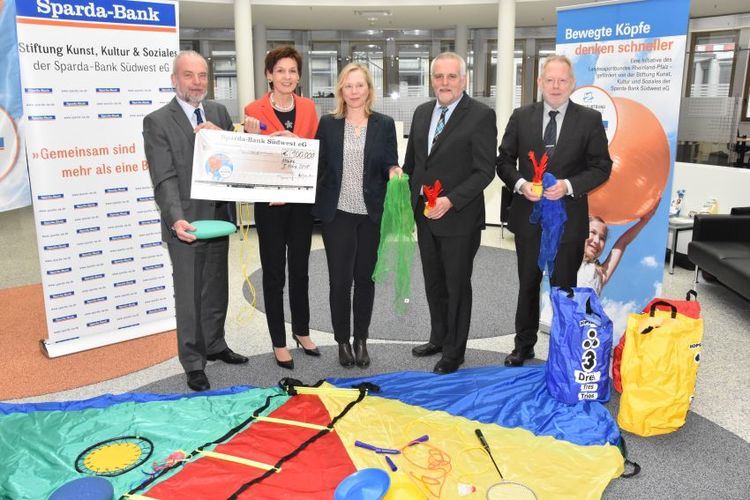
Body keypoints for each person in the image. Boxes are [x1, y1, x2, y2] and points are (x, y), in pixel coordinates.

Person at [496, 54, 612, 367]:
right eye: (550, 80)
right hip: (529, 219)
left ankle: (562, 352)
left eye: (562, 80)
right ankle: (524, 346)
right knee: (528, 283)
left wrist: (569, 185)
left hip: (569, 221)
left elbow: (602, 167)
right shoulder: (521, 116)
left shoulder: (588, 119)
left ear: (572, 83)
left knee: (564, 287)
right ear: (539, 83)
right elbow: (503, 161)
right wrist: (521, 184)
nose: (556, 86)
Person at [143, 50, 248, 392]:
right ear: (174, 80)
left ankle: (215, 343)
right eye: (189, 75)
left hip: (219, 217)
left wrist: (225, 138)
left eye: (202, 75)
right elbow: (164, 177)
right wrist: (175, 219)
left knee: (217, 286)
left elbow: (234, 161)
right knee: (189, 293)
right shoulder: (157, 121)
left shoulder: (218, 111)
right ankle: (192, 361)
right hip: (186, 223)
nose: (197, 82)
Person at [403, 52, 496, 375]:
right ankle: (438, 337)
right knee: (433, 282)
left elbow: (485, 171)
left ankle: (454, 352)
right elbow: (413, 164)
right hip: (425, 217)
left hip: (459, 218)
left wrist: (451, 200)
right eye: (439, 77)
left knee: (457, 285)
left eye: (451, 76)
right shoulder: (422, 112)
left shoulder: (481, 115)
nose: (444, 83)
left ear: (464, 79)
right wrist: (404, 197)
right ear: (432, 80)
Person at [313, 63, 401, 368]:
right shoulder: (328, 124)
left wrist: (394, 171)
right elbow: (317, 165)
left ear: (369, 89)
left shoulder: (384, 124)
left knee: (365, 279)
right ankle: (342, 341)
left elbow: (390, 161)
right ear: (341, 90)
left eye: (359, 85)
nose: (354, 92)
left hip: (371, 214)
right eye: (348, 86)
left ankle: (361, 339)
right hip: (336, 213)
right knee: (340, 282)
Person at [243, 46, 320, 370]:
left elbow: (312, 152)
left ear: (298, 76)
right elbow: (252, 158)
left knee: (300, 270)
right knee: (274, 274)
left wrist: (292, 141)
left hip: (300, 202)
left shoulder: (309, 107)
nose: (287, 77)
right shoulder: (253, 110)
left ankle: (301, 331)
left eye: (292, 71)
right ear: (269, 75)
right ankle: (279, 341)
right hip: (271, 205)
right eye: (281, 71)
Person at [579, 206, 657, 295]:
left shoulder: (601, 274)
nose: (596, 241)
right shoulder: (566, 257)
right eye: (592, 232)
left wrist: (644, 221)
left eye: (602, 238)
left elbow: (622, 243)